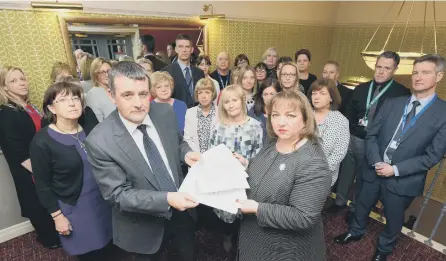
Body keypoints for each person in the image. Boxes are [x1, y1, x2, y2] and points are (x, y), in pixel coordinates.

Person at [334, 54, 446, 261]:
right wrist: (377, 161)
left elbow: (433, 155)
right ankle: (355, 231)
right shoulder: (393, 102)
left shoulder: (443, 112)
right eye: (415, 72)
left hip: (403, 178)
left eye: (425, 72)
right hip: (373, 168)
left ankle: (384, 249)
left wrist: (394, 169)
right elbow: (372, 134)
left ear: (439, 76)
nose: (418, 77)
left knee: (394, 219)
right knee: (361, 205)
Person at [85, 61, 200, 261]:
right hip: (143, 227)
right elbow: (118, 194)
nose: (138, 103)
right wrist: (167, 199)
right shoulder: (99, 141)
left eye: (143, 94)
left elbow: (177, 142)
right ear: (112, 95)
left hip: (182, 212)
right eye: (128, 95)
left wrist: (186, 154)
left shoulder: (164, 112)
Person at [235, 90, 331, 261]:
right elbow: (267, 172)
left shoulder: (313, 161)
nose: (281, 122)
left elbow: (303, 216)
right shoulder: (274, 141)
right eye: (275, 115)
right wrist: (247, 165)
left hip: (285, 249)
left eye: (290, 115)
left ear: (305, 120)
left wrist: (257, 208)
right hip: (254, 236)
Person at [30, 81, 112, 261]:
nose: (72, 103)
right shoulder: (42, 141)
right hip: (74, 207)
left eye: (76, 97)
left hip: (104, 201)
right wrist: (57, 216)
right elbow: (42, 184)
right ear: (51, 108)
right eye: (64, 99)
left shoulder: (90, 127)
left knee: (110, 249)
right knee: (90, 254)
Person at [327, 51, 411, 219]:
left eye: (386, 68)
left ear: (394, 69)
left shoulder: (402, 94)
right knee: (346, 172)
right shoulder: (361, 88)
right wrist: (351, 131)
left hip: (376, 145)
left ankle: (355, 209)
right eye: (378, 67)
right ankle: (340, 202)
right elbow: (349, 113)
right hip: (353, 138)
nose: (380, 71)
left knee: (366, 179)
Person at [0, 66, 61, 249]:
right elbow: (17, 151)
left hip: (42, 161)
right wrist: (40, 171)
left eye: (22, 78)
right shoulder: (6, 113)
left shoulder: (28, 106)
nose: (21, 83)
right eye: (14, 81)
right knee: (38, 204)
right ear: (4, 87)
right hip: (30, 169)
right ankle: (49, 239)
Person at [209, 84, 263, 252]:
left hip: (247, 179)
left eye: (234, 100)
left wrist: (245, 162)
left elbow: (260, 155)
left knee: (244, 213)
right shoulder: (218, 127)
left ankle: (244, 242)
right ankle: (228, 236)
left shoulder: (255, 126)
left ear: (242, 101)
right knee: (227, 214)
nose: (231, 105)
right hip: (224, 180)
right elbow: (211, 154)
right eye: (226, 102)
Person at [308, 78, 350, 186]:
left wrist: (319, 171)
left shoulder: (340, 121)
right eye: (314, 93)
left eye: (322, 93)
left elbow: (339, 153)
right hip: (297, 171)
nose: (316, 97)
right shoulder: (304, 116)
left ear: (331, 97)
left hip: (322, 176)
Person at [161, 34, 205, 108]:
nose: (184, 50)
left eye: (187, 47)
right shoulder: (166, 72)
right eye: (180, 46)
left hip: (196, 115)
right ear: (176, 49)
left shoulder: (199, 73)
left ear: (192, 49)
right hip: (176, 115)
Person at [184, 78, 219, 153]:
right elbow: (188, 139)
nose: (203, 96)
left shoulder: (220, 112)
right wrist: (199, 156)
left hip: (216, 157)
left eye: (207, 92)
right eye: (200, 93)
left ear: (212, 94)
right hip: (196, 158)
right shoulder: (190, 112)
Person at [248, 78, 280, 143]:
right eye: (265, 94)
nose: (268, 98)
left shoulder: (283, 113)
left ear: (279, 94)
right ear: (261, 96)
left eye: (272, 94)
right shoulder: (253, 112)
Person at [85, 58, 115, 122]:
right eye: (102, 72)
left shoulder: (116, 88)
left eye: (109, 71)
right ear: (95, 74)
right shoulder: (92, 95)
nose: (107, 75)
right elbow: (98, 123)